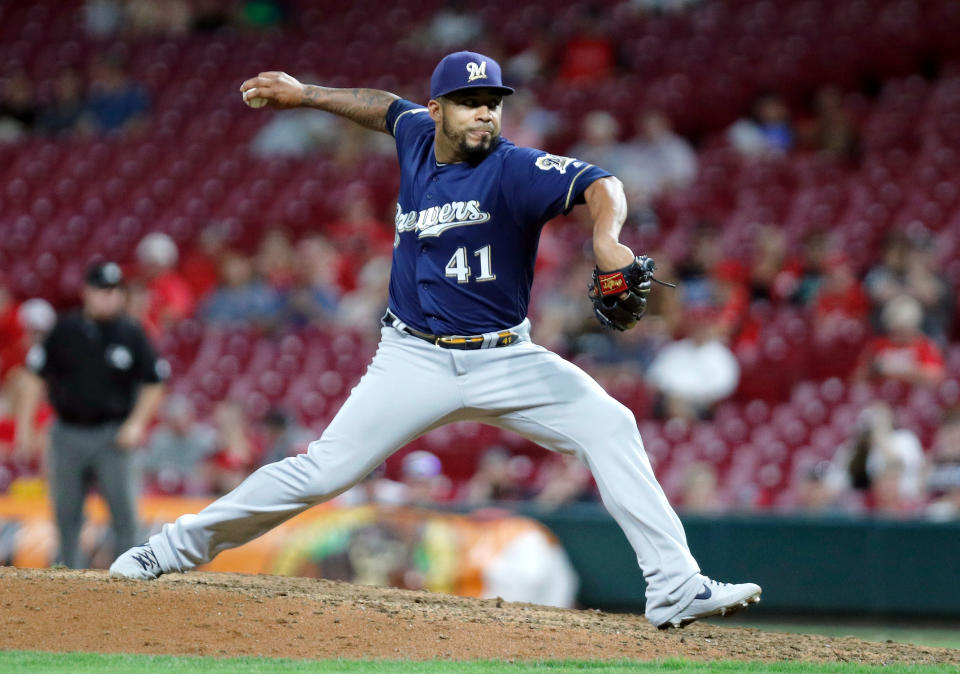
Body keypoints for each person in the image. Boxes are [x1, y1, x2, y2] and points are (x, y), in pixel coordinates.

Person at [110, 51, 760, 629]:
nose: (484, 114)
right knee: (321, 472)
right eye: (471, 103)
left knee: (611, 425)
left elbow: (600, 183)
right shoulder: (417, 136)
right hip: (413, 357)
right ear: (438, 110)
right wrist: (307, 93)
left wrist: (607, 239)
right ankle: (165, 550)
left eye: (493, 103)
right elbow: (381, 107)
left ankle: (673, 586)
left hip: (506, 357)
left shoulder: (515, 169)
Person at [15, 262, 168, 568]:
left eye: (113, 291)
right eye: (102, 290)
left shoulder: (131, 332)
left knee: (124, 514)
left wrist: (136, 423)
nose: (108, 297)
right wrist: (25, 428)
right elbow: (33, 377)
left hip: (113, 434)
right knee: (66, 512)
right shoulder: (65, 330)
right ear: (87, 291)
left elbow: (155, 381)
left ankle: (130, 577)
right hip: (67, 432)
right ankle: (70, 579)